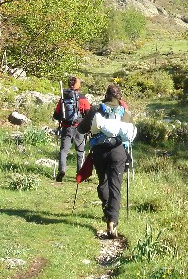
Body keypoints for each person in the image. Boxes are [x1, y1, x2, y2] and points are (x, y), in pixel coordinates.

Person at [77, 83, 136, 239]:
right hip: (118, 151)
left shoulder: (96, 109)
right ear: (119, 96)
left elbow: (81, 129)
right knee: (115, 186)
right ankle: (112, 221)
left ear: (106, 95)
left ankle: (106, 208)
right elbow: (130, 133)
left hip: (99, 151)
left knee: (103, 182)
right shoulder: (125, 112)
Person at [53, 76, 91, 182]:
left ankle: (62, 170)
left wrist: (63, 118)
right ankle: (80, 174)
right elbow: (88, 113)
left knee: (64, 150)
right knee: (80, 151)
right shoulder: (82, 98)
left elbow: (56, 115)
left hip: (66, 127)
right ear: (78, 85)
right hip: (79, 128)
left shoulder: (63, 98)